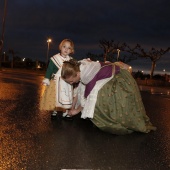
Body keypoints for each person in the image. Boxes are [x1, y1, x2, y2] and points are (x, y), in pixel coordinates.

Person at [61, 59, 156, 135]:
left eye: (71, 81)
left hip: (117, 76)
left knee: (97, 100)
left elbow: (86, 99)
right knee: (88, 92)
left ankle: (107, 119)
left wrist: (76, 111)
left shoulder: (87, 76)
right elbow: (79, 91)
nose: (71, 83)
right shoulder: (79, 66)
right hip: (110, 71)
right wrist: (72, 106)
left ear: (77, 74)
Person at [40, 39, 74, 119]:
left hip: (66, 82)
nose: (66, 49)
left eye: (69, 48)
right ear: (60, 47)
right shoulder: (54, 59)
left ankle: (64, 112)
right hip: (56, 82)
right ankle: (54, 111)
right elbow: (49, 70)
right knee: (55, 97)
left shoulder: (71, 60)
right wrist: (47, 79)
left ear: (71, 50)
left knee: (65, 97)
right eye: (64, 46)